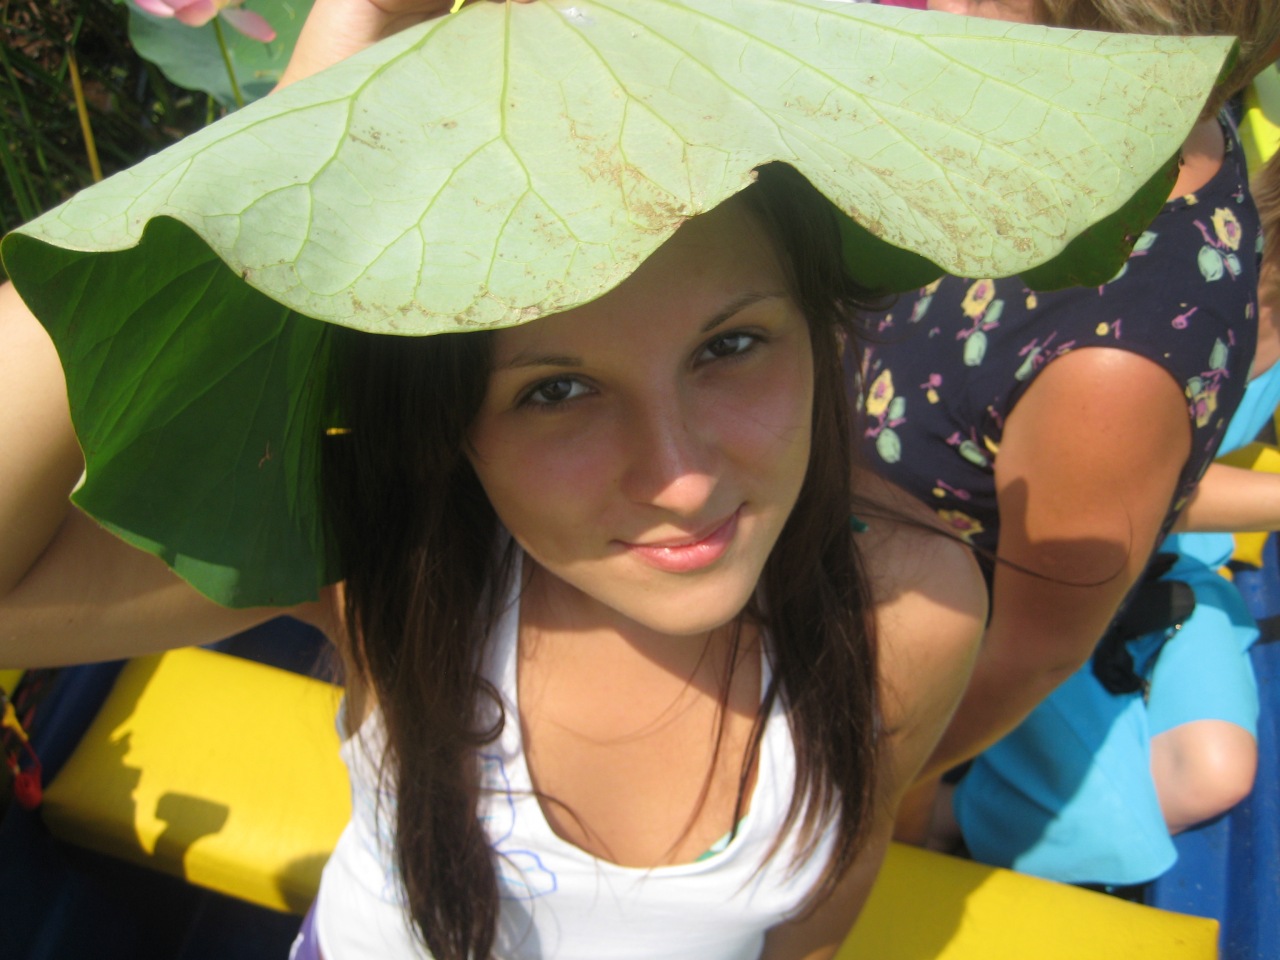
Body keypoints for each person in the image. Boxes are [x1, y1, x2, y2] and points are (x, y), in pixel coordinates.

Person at [0, 9, 986, 957]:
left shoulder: (910, 611)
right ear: (450, 427)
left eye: (729, 345)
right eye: (555, 391)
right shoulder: (391, 550)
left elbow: (814, 922)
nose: (681, 480)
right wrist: (289, 123)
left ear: (819, 329)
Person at [863, 0, 1280, 885]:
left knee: (1203, 772)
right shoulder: (1088, 122)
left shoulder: (1115, 361)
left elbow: (1028, 652)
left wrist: (880, 797)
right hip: (852, 549)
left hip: (876, 642)